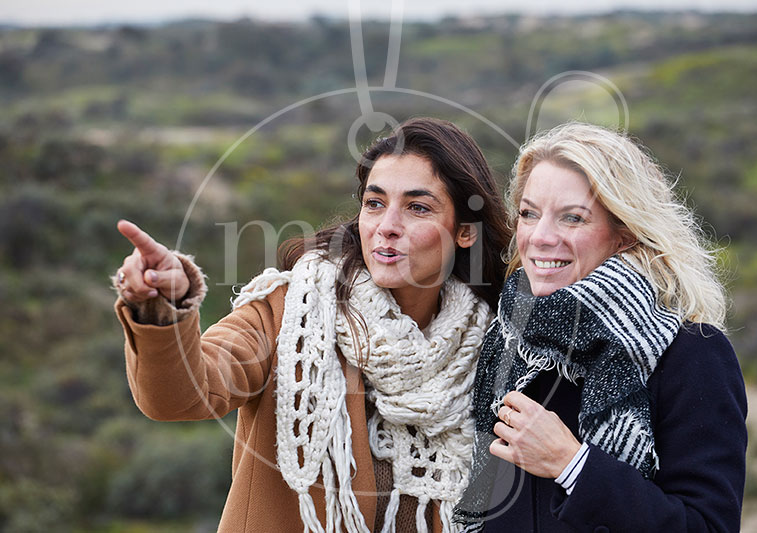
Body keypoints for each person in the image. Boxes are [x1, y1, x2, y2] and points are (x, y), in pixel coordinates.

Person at [112, 117, 511, 533]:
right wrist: (164, 307)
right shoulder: (291, 311)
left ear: (465, 231)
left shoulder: (493, 344)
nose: (387, 226)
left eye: (417, 207)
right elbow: (181, 396)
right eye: (374, 203)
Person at [454, 122, 747, 532]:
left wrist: (572, 464)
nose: (540, 236)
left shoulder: (692, 353)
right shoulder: (503, 344)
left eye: (572, 218)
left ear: (624, 233)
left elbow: (708, 526)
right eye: (528, 213)